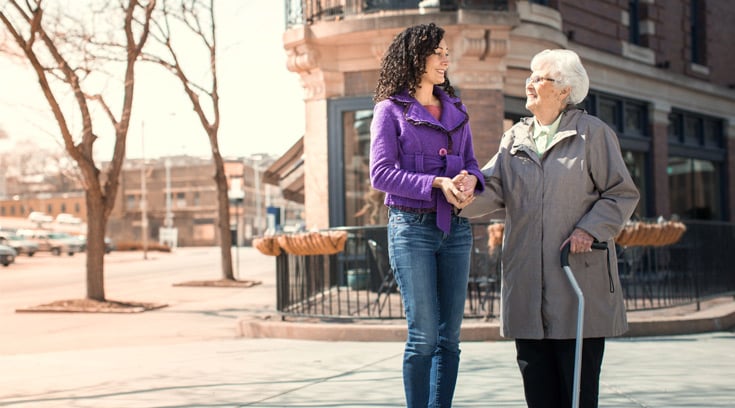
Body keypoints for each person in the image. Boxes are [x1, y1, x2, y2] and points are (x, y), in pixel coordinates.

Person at [463, 49, 640, 408]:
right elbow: (491, 189)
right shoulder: (514, 138)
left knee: (576, 394)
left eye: (539, 77)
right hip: (527, 288)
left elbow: (621, 193)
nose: (529, 82)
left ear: (564, 90)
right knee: (538, 394)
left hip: (576, 285)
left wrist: (589, 229)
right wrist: (462, 192)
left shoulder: (593, 135)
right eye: (530, 75)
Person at [369, 22, 484, 408]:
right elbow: (380, 174)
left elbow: (472, 164)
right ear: (415, 58)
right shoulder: (390, 111)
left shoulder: (458, 110)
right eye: (439, 52)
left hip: (456, 229)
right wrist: (437, 185)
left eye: (447, 53)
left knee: (450, 339)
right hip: (411, 228)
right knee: (424, 338)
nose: (446, 59)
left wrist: (470, 181)